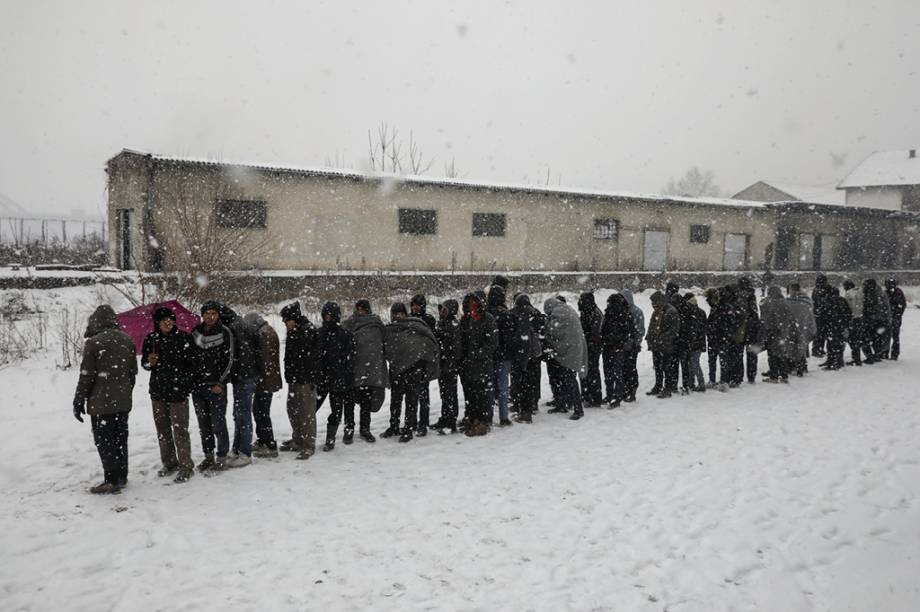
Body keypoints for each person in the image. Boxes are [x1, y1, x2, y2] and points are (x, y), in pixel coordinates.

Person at [72, 305, 137, 494]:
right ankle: (122, 475)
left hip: (101, 402)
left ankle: (111, 479)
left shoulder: (94, 343)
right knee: (120, 438)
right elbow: (132, 374)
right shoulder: (128, 340)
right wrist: (124, 392)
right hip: (123, 402)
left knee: (104, 440)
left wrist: (79, 400)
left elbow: (86, 375)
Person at [142, 306, 196, 483]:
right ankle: (169, 463)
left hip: (178, 393)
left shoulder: (185, 338)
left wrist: (184, 384)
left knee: (180, 431)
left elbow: (193, 364)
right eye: (164, 320)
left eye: (170, 319)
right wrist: (149, 363)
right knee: (163, 430)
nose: (168, 322)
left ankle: (186, 466)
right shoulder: (151, 339)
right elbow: (145, 364)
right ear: (157, 322)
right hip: (158, 391)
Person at [384, 302, 440, 442]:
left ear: (405, 313)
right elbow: (386, 349)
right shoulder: (389, 330)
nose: (398, 316)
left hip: (413, 370)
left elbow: (427, 344)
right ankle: (394, 426)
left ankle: (408, 429)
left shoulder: (415, 326)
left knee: (411, 401)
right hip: (396, 370)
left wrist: (420, 362)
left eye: (401, 313)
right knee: (395, 401)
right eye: (396, 314)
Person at [191, 301, 234, 471]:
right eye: (207, 313)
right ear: (202, 315)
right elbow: (191, 358)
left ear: (218, 315)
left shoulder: (225, 332)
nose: (210, 316)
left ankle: (222, 457)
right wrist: (192, 381)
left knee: (218, 423)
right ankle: (208, 456)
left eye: (214, 313)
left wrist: (221, 383)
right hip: (198, 387)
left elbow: (230, 360)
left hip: (216, 387)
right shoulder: (196, 332)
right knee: (204, 425)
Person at [219, 304, 259, 468]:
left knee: (242, 414)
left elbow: (234, 355)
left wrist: (227, 375)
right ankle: (237, 449)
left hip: (243, 376)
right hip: (247, 374)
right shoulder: (241, 323)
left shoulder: (231, 328)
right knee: (240, 413)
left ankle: (244, 452)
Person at [342, 299, 387, 443]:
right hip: (352, 369)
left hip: (369, 371)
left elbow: (383, 344)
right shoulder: (349, 323)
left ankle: (365, 429)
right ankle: (349, 429)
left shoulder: (376, 324)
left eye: (364, 309)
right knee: (349, 402)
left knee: (366, 402)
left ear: (368, 310)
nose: (361, 312)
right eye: (359, 309)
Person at [279, 301, 319, 460]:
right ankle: (297, 440)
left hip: (306, 380)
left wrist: (309, 377)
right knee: (292, 410)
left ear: (294, 319)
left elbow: (312, 358)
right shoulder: (294, 331)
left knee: (306, 413)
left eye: (286, 320)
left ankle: (308, 445)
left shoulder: (308, 331)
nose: (284, 323)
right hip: (294, 379)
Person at [457, 293, 499, 436]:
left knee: (484, 394)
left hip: (483, 364)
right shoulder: (466, 320)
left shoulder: (488, 319)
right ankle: (473, 418)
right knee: (471, 394)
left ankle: (484, 422)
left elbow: (492, 343)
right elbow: (462, 340)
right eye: (469, 304)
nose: (472, 307)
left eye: (474, 304)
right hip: (468, 365)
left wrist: (477, 353)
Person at [243, 313, 283, 458]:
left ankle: (269, 445)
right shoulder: (266, 331)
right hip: (267, 380)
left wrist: (256, 375)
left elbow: (264, 360)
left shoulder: (264, 334)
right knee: (259, 411)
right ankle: (263, 440)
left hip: (265, 381)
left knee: (262, 412)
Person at [543, 297, 587, 420]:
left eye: (548, 312)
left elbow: (554, 331)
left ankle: (578, 409)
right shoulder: (567, 309)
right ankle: (563, 404)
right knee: (565, 378)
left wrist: (545, 327)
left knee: (569, 380)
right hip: (573, 349)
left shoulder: (559, 312)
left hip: (569, 351)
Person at [318, 302, 355, 452]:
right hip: (320, 379)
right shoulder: (318, 333)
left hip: (338, 380)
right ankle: (302, 436)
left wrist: (344, 377)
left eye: (330, 316)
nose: (328, 318)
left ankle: (330, 439)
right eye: (326, 316)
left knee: (336, 411)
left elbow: (350, 358)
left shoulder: (345, 335)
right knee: (310, 410)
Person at [510, 294, 544, 423]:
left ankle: (522, 409)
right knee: (534, 379)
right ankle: (533, 403)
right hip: (535, 352)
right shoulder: (536, 313)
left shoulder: (514, 313)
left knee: (521, 381)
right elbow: (542, 329)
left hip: (521, 352)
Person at [601, 293, 637, 408]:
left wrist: (621, 343)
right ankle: (611, 395)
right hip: (610, 347)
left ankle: (616, 396)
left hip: (617, 348)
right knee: (610, 374)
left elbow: (630, 333)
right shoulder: (611, 313)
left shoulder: (624, 315)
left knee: (616, 374)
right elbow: (604, 330)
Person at [487, 284, 516, 426]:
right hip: (504, 356)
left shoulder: (486, 313)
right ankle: (503, 417)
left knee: (489, 387)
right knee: (503, 388)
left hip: (489, 355)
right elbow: (510, 337)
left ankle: (488, 416)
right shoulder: (506, 314)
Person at [409, 294, 437, 434]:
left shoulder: (428, 320)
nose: (415, 307)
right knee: (411, 395)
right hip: (410, 361)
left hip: (424, 362)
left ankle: (423, 423)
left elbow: (431, 340)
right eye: (413, 305)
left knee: (423, 395)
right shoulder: (408, 319)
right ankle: (412, 422)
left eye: (417, 305)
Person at [757, 286, 799, 382]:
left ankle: (774, 375)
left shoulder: (769, 303)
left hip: (773, 331)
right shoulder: (785, 302)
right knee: (781, 353)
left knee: (772, 354)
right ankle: (784, 375)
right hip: (784, 332)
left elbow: (766, 317)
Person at [432, 299, 461, 433]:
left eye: (445, 310)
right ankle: (445, 417)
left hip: (449, 365)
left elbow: (456, 348)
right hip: (442, 364)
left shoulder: (454, 324)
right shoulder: (441, 323)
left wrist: (450, 364)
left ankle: (451, 420)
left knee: (451, 394)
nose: (442, 312)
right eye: (441, 309)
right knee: (444, 394)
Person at [645, 291, 680, 398]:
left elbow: (674, 330)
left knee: (666, 367)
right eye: (652, 303)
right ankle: (658, 386)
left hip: (666, 345)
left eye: (655, 303)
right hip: (656, 345)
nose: (653, 306)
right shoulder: (657, 311)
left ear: (660, 301)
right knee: (657, 367)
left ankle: (668, 388)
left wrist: (661, 338)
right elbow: (652, 325)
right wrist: (649, 337)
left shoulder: (671, 311)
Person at [577, 292, 604, 407]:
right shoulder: (586, 311)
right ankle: (586, 395)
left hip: (593, 346)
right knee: (585, 371)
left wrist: (586, 337)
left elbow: (595, 332)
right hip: (586, 345)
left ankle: (595, 397)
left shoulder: (596, 313)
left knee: (592, 371)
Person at [619, 288, 645, 403]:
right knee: (623, 369)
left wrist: (635, 343)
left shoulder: (637, 312)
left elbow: (640, 330)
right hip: (622, 346)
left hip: (632, 347)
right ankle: (625, 390)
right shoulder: (621, 310)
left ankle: (632, 390)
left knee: (631, 369)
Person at [786, 283, 817, 376]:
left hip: (791, 327)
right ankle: (802, 366)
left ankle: (791, 365)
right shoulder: (807, 302)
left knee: (790, 346)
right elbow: (810, 316)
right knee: (801, 347)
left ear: (792, 290)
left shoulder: (788, 302)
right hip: (803, 327)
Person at [681, 293, 707, 392]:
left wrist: (692, 340)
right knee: (693, 363)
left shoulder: (691, 312)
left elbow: (694, 329)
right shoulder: (700, 312)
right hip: (698, 342)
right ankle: (693, 383)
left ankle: (701, 384)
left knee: (694, 363)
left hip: (694, 342)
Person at [738, 277, 761, 384]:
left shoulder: (738, 296)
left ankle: (738, 376)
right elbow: (754, 313)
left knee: (738, 354)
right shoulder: (752, 295)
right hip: (752, 328)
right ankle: (751, 376)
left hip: (740, 328)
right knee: (751, 354)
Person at [823, 287, 852, 370]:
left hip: (832, 327)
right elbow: (849, 313)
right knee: (839, 345)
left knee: (831, 345)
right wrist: (846, 325)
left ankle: (832, 362)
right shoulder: (842, 300)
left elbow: (825, 315)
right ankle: (839, 361)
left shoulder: (829, 301)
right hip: (841, 326)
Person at [863, 278, 891, 361]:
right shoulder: (878, 293)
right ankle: (876, 355)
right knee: (876, 338)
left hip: (875, 320)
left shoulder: (877, 294)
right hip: (875, 319)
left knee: (870, 338)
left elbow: (882, 307)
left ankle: (873, 356)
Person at [841, 280, 865, 366]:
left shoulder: (848, 294)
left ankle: (856, 359)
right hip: (860, 318)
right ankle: (857, 358)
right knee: (856, 339)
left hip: (852, 319)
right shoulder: (860, 292)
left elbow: (848, 307)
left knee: (851, 339)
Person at [811, 274, 833, 357]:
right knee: (823, 333)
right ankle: (818, 349)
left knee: (820, 333)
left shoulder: (816, 290)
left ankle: (818, 349)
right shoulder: (828, 289)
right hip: (826, 314)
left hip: (819, 314)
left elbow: (815, 302)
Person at [885, 277, 906, 360]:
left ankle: (891, 354)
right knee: (891, 337)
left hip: (893, 318)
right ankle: (891, 353)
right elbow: (903, 305)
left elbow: (902, 305)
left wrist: (897, 314)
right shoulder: (896, 292)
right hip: (892, 318)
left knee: (891, 337)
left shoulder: (897, 293)